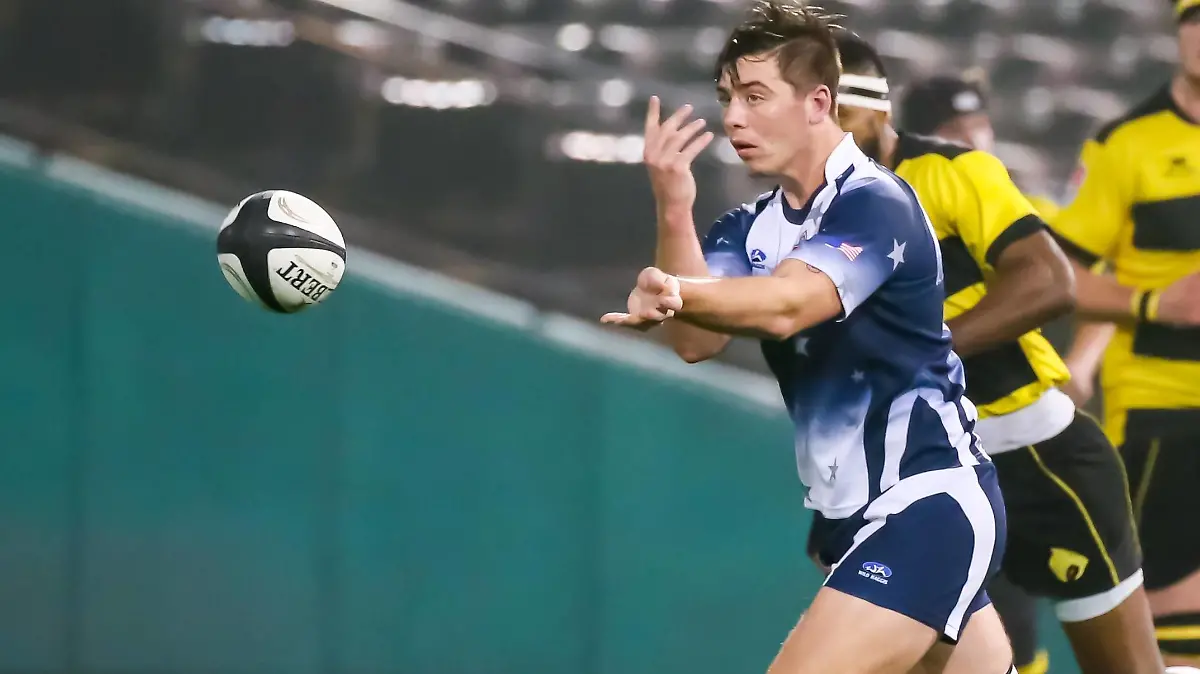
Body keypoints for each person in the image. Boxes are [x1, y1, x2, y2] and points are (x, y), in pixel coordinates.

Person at [601, 3, 1013, 671]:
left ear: (819, 101)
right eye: (727, 97)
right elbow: (695, 343)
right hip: (856, 523)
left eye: (757, 95)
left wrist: (678, 292)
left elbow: (789, 304)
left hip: (925, 503)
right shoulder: (746, 226)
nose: (733, 117)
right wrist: (674, 206)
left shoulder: (878, 202)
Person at [834, 32, 1164, 674]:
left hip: (1034, 456)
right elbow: (702, 336)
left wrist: (927, 352)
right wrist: (675, 207)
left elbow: (1052, 281)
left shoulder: (953, 173)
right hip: (918, 480)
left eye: (839, 107)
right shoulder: (789, 219)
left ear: (879, 108)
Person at [1048, 0, 1200, 667]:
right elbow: (1056, 277)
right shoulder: (1126, 144)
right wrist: (1151, 301)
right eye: (1195, 17)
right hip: (1161, 412)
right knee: (1163, 599)